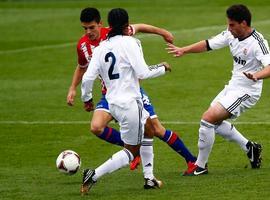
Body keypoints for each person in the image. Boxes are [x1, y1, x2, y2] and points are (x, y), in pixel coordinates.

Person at [66, 6, 197, 178]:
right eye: (85, 28)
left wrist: (162, 32)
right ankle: (132, 149)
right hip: (110, 95)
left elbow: (140, 27)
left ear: (101, 24)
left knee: (156, 129)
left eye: (92, 27)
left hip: (132, 92)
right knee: (96, 127)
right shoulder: (83, 45)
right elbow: (83, 67)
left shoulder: (116, 32)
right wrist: (72, 88)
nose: (89, 32)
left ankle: (191, 161)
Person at [167, 4, 269, 175]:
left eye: (232, 24)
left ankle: (200, 166)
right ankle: (250, 148)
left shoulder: (258, 42)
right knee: (214, 123)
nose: (229, 28)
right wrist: (184, 50)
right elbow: (208, 44)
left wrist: (257, 76)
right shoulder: (231, 34)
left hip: (248, 91)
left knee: (207, 119)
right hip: (232, 86)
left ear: (243, 23)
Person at [80, 8, 171, 195]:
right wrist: (162, 67)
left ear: (109, 25)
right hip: (130, 103)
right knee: (131, 151)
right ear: (126, 24)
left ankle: (149, 178)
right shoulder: (131, 42)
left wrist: (87, 99)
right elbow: (143, 72)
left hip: (112, 104)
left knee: (149, 130)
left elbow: (88, 78)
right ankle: (94, 174)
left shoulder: (100, 48)